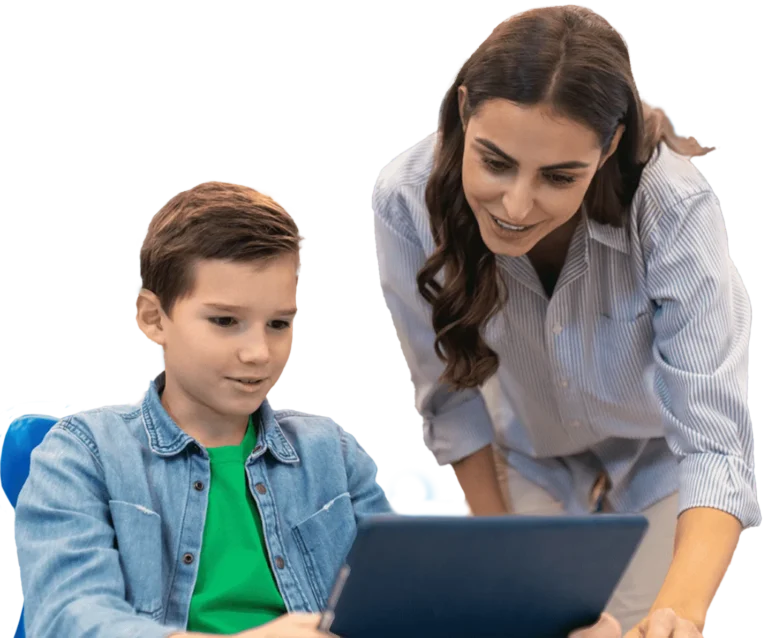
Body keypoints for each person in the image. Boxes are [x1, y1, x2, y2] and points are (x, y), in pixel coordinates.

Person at [13, 180, 620, 638]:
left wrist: (548, 622)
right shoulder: (84, 453)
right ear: (153, 318)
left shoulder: (329, 451)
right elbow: (68, 617)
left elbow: (410, 599)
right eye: (225, 321)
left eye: (279, 323)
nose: (258, 352)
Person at [371, 5, 758, 638]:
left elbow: (714, 438)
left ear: (606, 148)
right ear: (464, 111)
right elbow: (450, 400)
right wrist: (509, 567)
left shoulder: (673, 204)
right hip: (529, 461)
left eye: (559, 177)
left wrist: (679, 614)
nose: (517, 206)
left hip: (660, 465)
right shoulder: (402, 198)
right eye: (494, 163)